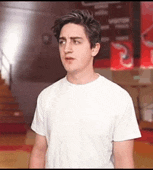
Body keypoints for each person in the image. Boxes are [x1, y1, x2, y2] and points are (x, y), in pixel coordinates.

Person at [29, 9, 141, 168]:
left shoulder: (118, 98)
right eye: (62, 41)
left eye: (76, 41)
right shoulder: (46, 97)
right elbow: (39, 152)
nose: (67, 48)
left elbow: (123, 161)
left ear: (94, 48)